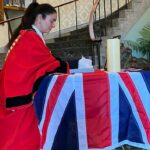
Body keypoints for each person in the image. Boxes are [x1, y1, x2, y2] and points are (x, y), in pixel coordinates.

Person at [0, 2, 69, 150]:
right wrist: (65, 66)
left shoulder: (28, 35)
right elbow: (49, 63)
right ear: (39, 18)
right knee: (22, 139)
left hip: (14, 91)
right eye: (52, 20)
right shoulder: (30, 37)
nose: (53, 25)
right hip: (18, 96)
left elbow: (43, 63)